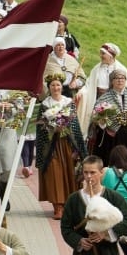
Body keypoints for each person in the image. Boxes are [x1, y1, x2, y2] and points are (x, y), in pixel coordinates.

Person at [89, 68, 127, 199]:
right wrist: (103, 121)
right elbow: (96, 116)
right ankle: (110, 189)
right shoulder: (105, 97)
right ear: (112, 81)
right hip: (112, 138)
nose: (120, 81)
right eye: (117, 78)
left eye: (122, 78)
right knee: (111, 162)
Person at [36, 73, 87, 219]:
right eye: (53, 85)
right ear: (49, 87)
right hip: (51, 145)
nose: (56, 87)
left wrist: (65, 127)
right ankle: (57, 206)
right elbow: (40, 127)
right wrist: (52, 127)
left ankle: (69, 205)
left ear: (61, 87)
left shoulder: (68, 102)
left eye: (58, 85)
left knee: (70, 172)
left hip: (67, 143)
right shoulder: (45, 104)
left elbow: (74, 124)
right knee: (54, 173)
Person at [80, 43, 127, 138]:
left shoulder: (122, 69)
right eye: (101, 53)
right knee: (95, 126)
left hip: (114, 102)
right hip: (97, 100)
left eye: (103, 54)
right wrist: (81, 93)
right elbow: (88, 85)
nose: (101, 56)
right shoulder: (97, 69)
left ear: (111, 56)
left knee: (110, 128)